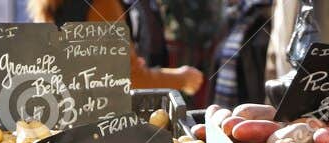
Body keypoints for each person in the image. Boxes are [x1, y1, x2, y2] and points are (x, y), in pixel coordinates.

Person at [30, 0, 204, 94]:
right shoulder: (103, 5)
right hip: (100, 127)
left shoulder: (49, 5)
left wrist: (127, 58)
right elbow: (127, 79)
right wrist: (183, 78)